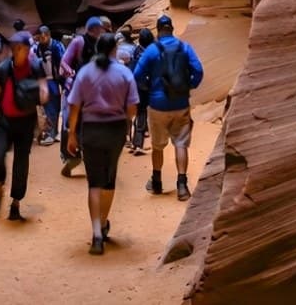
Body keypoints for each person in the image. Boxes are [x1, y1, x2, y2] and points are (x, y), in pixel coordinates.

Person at [66, 34, 139, 255]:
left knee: (94, 183)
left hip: (91, 130)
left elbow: (74, 106)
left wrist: (71, 134)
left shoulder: (85, 72)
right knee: (109, 179)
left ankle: (97, 234)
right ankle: (105, 221)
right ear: (114, 49)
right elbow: (133, 107)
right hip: (115, 129)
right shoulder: (125, 73)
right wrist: (127, 124)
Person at [133, 15, 203, 200]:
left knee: (158, 146)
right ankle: (181, 185)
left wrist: (148, 87)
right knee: (181, 144)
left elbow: (137, 75)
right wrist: (190, 85)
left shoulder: (151, 50)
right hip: (180, 104)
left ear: (158, 31)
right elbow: (198, 71)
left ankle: (156, 182)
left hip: (157, 106)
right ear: (172, 29)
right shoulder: (185, 47)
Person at [0, 30, 49, 222]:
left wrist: (42, 99)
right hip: (5, 121)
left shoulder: (36, 66)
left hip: (26, 122)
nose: (16, 50)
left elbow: (43, 87)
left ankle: (15, 203)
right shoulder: (3, 68)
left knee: (21, 161)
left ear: (27, 48)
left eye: (20, 47)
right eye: (15, 47)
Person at [59, 16, 104, 176]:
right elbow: (64, 61)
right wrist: (70, 72)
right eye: (98, 28)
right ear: (91, 28)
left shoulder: (101, 44)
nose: (100, 30)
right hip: (76, 89)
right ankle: (71, 156)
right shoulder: (79, 42)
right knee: (71, 121)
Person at [33, 25, 64, 145]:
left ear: (47, 35)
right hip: (44, 80)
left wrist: (62, 80)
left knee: (55, 108)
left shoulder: (56, 46)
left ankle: (54, 132)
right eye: (39, 38)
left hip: (56, 81)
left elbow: (62, 63)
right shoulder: (39, 48)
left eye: (42, 37)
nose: (41, 40)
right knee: (48, 108)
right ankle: (52, 132)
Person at [131, 27, 154, 155]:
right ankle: (138, 144)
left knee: (139, 112)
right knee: (142, 114)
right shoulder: (151, 52)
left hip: (135, 86)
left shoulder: (136, 51)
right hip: (145, 86)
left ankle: (135, 143)